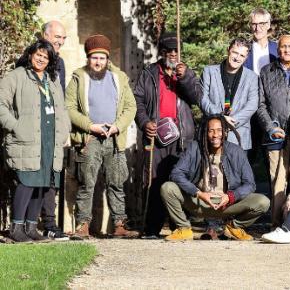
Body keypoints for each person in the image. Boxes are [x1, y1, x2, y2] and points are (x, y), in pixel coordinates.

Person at [65, 34, 138, 238]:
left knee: (116, 182)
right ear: (88, 58)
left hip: (114, 138)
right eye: (94, 57)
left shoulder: (119, 78)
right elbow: (68, 108)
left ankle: (119, 225)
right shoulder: (78, 78)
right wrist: (90, 126)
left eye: (102, 58)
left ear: (107, 59)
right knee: (87, 183)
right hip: (90, 138)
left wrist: (117, 127)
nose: (98, 62)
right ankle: (83, 226)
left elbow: (130, 106)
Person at [0, 40, 70, 242]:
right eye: (38, 54)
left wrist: (64, 131)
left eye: (46, 57)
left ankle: (31, 228)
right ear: (30, 54)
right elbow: (1, 104)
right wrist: (15, 126)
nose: (41, 59)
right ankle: (16, 229)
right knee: (26, 182)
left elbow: (62, 109)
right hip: (26, 139)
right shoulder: (16, 76)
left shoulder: (52, 80)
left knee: (42, 183)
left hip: (49, 139)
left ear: (50, 61)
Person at [133, 32, 201, 238]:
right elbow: (138, 101)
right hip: (157, 136)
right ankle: (152, 227)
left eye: (176, 50)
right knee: (154, 181)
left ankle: (178, 226)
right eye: (169, 50)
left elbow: (197, 97)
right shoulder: (149, 73)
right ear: (162, 52)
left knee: (178, 180)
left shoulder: (187, 73)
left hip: (181, 138)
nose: (173, 54)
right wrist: (145, 123)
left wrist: (186, 77)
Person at [160, 114, 270, 241]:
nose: (215, 135)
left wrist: (230, 197)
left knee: (263, 202)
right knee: (168, 188)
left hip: (227, 204)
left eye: (219, 130)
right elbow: (176, 173)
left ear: (225, 132)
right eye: (211, 130)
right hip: (199, 202)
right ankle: (184, 228)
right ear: (205, 132)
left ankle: (233, 228)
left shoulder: (236, 152)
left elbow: (250, 184)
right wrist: (199, 193)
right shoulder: (195, 148)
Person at [256, 35, 290, 227]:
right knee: (276, 182)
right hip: (274, 137)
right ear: (277, 49)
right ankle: (276, 224)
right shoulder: (266, 71)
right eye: (283, 47)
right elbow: (260, 105)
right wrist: (271, 127)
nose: (286, 50)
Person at [200, 38, 258, 152]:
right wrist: (220, 118)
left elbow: (252, 104)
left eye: (242, 55)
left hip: (238, 136)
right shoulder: (209, 72)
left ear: (246, 58)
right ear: (228, 50)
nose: (237, 58)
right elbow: (202, 99)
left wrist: (232, 121)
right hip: (212, 136)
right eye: (235, 52)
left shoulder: (252, 77)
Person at [40, 20, 70, 241]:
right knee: (35, 177)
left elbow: (61, 98)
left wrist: (64, 129)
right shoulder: (34, 58)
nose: (59, 41)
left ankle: (50, 224)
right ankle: (31, 223)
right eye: (56, 36)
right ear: (44, 35)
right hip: (37, 127)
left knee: (53, 176)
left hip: (55, 127)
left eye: (63, 38)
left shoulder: (60, 63)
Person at [243, 7, 278, 75]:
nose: (257, 28)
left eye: (261, 24)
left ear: (268, 25)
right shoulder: (244, 50)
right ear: (250, 26)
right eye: (254, 24)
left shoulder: (277, 49)